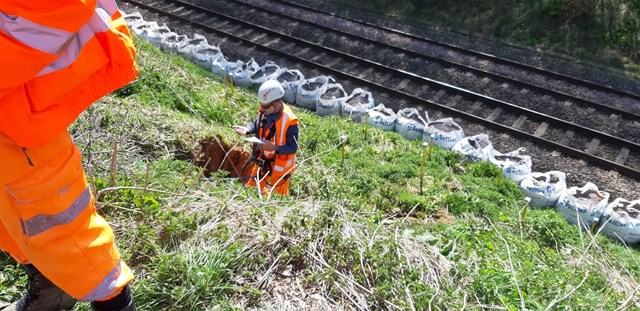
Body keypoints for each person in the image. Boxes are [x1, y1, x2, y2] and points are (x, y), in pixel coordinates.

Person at [0, 1, 138, 310]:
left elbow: (56, 9)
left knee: (63, 233)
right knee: (13, 222)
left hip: (18, 115)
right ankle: (51, 286)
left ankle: (113, 302)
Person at [233, 80, 300, 196]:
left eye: (266, 107)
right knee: (254, 189)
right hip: (264, 160)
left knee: (280, 197)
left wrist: (274, 147)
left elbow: (293, 148)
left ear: (277, 103)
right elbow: (257, 124)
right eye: (262, 106)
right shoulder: (265, 110)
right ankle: (261, 198)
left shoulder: (290, 121)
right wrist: (248, 129)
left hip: (281, 166)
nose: (262, 109)